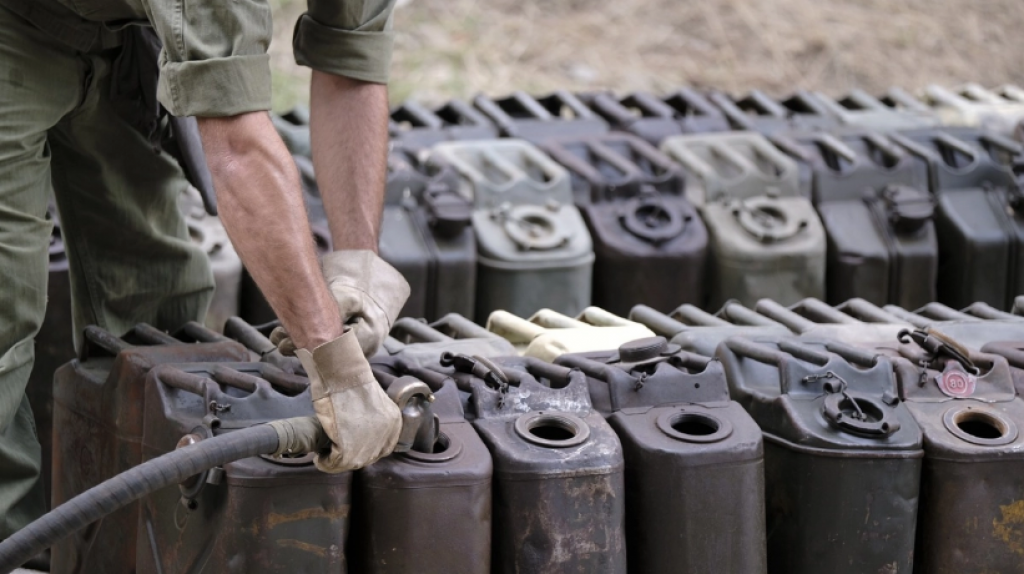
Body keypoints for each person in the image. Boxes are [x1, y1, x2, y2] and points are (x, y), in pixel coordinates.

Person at [0, 0, 410, 548]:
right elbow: (238, 147)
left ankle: (129, 548)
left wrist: (358, 261)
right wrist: (332, 362)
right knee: (4, 313)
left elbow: (350, 59)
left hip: (126, 33)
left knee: (158, 312)